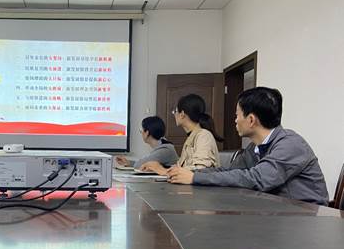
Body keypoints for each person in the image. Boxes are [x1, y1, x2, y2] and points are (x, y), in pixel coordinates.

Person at [167, 87, 329, 205]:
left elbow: (257, 179)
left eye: (237, 115)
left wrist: (195, 178)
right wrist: (191, 173)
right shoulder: (254, 147)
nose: (235, 120)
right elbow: (229, 171)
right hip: (276, 213)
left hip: (307, 217)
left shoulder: (290, 144)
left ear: (251, 120)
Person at [140, 94, 222, 175]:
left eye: (175, 111)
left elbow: (201, 170)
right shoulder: (191, 137)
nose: (174, 114)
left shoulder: (203, 136)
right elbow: (181, 168)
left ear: (182, 114)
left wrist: (163, 170)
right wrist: (157, 168)